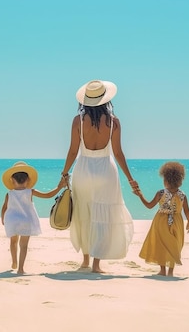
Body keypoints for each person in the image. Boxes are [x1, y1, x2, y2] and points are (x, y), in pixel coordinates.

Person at [60, 79, 138, 273]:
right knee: (103, 217)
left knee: (84, 214)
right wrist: (130, 178)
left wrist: (65, 173)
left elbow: (72, 151)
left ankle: (85, 260)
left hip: (83, 169)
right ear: (106, 100)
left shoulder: (78, 120)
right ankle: (96, 264)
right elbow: (118, 153)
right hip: (106, 170)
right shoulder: (114, 122)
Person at [1, 161, 66, 274]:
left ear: (12, 180)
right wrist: (59, 187)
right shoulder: (30, 192)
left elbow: (4, 208)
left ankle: (14, 262)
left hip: (12, 220)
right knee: (24, 245)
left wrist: (3, 219)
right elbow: (48, 195)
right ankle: (21, 269)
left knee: (13, 241)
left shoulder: (9, 194)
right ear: (28, 180)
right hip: (26, 220)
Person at [134, 161, 189, 276]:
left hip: (161, 221)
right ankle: (170, 271)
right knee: (174, 245)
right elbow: (187, 210)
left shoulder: (161, 193)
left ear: (166, 181)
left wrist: (140, 195)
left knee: (161, 244)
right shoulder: (182, 195)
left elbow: (149, 205)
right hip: (177, 222)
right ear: (179, 180)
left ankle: (162, 271)